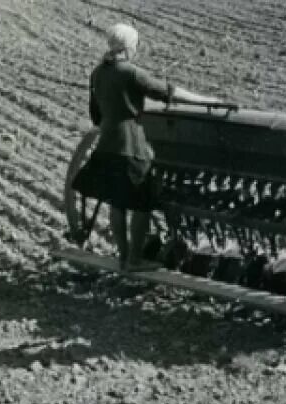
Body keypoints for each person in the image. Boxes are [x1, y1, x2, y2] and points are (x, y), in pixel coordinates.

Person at [71, 23, 227, 272]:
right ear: (129, 47)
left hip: (106, 145)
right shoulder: (130, 73)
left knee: (117, 203)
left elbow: (96, 115)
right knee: (143, 204)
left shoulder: (98, 72)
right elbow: (168, 92)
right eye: (135, 45)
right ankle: (135, 259)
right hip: (131, 147)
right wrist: (208, 101)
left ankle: (123, 258)